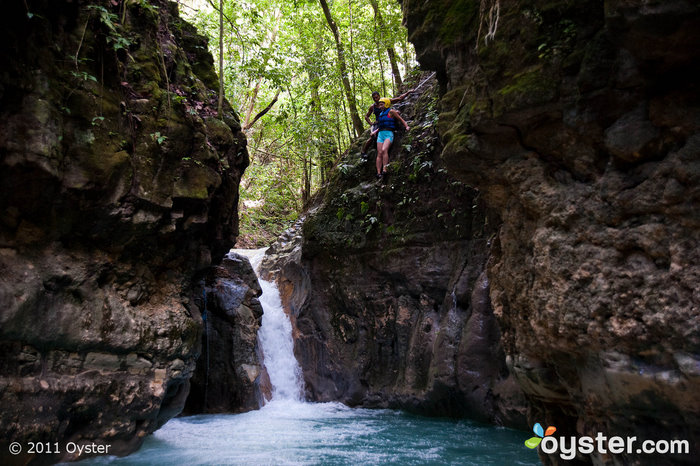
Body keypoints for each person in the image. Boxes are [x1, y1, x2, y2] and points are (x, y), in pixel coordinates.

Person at [361, 88, 413, 159]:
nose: (376, 99)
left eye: (376, 97)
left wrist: (408, 92)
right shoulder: (372, 107)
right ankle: (364, 151)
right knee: (372, 136)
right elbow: (366, 117)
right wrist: (371, 124)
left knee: (396, 114)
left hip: (387, 121)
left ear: (379, 96)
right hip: (378, 123)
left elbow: (399, 98)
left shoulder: (385, 101)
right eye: (374, 98)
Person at [373, 98, 409, 179]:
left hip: (389, 133)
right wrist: (375, 132)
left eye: (382, 104)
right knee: (379, 153)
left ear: (386, 104)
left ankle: (385, 169)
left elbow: (401, 119)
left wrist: (406, 126)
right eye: (379, 105)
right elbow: (380, 125)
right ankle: (378, 172)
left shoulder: (391, 112)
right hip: (380, 134)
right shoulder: (381, 114)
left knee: (384, 150)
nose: (380, 106)